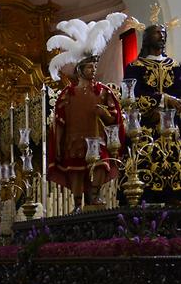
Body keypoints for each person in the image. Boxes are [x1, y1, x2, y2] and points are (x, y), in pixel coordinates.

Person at [48, 56, 123, 211]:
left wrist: (104, 114)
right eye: (89, 67)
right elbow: (60, 122)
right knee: (76, 171)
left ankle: (95, 196)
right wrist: (58, 145)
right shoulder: (67, 94)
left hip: (98, 139)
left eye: (94, 67)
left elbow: (114, 120)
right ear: (80, 71)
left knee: (101, 165)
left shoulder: (103, 92)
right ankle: (76, 204)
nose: (93, 70)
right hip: (73, 140)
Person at [123, 24, 181, 127]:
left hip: (174, 124)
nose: (162, 36)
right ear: (147, 38)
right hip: (147, 126)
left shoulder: (174, 66)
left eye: (163, 33)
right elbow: (132, 95)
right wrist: (163, 99)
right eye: (157, 33)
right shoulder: (135, 67)